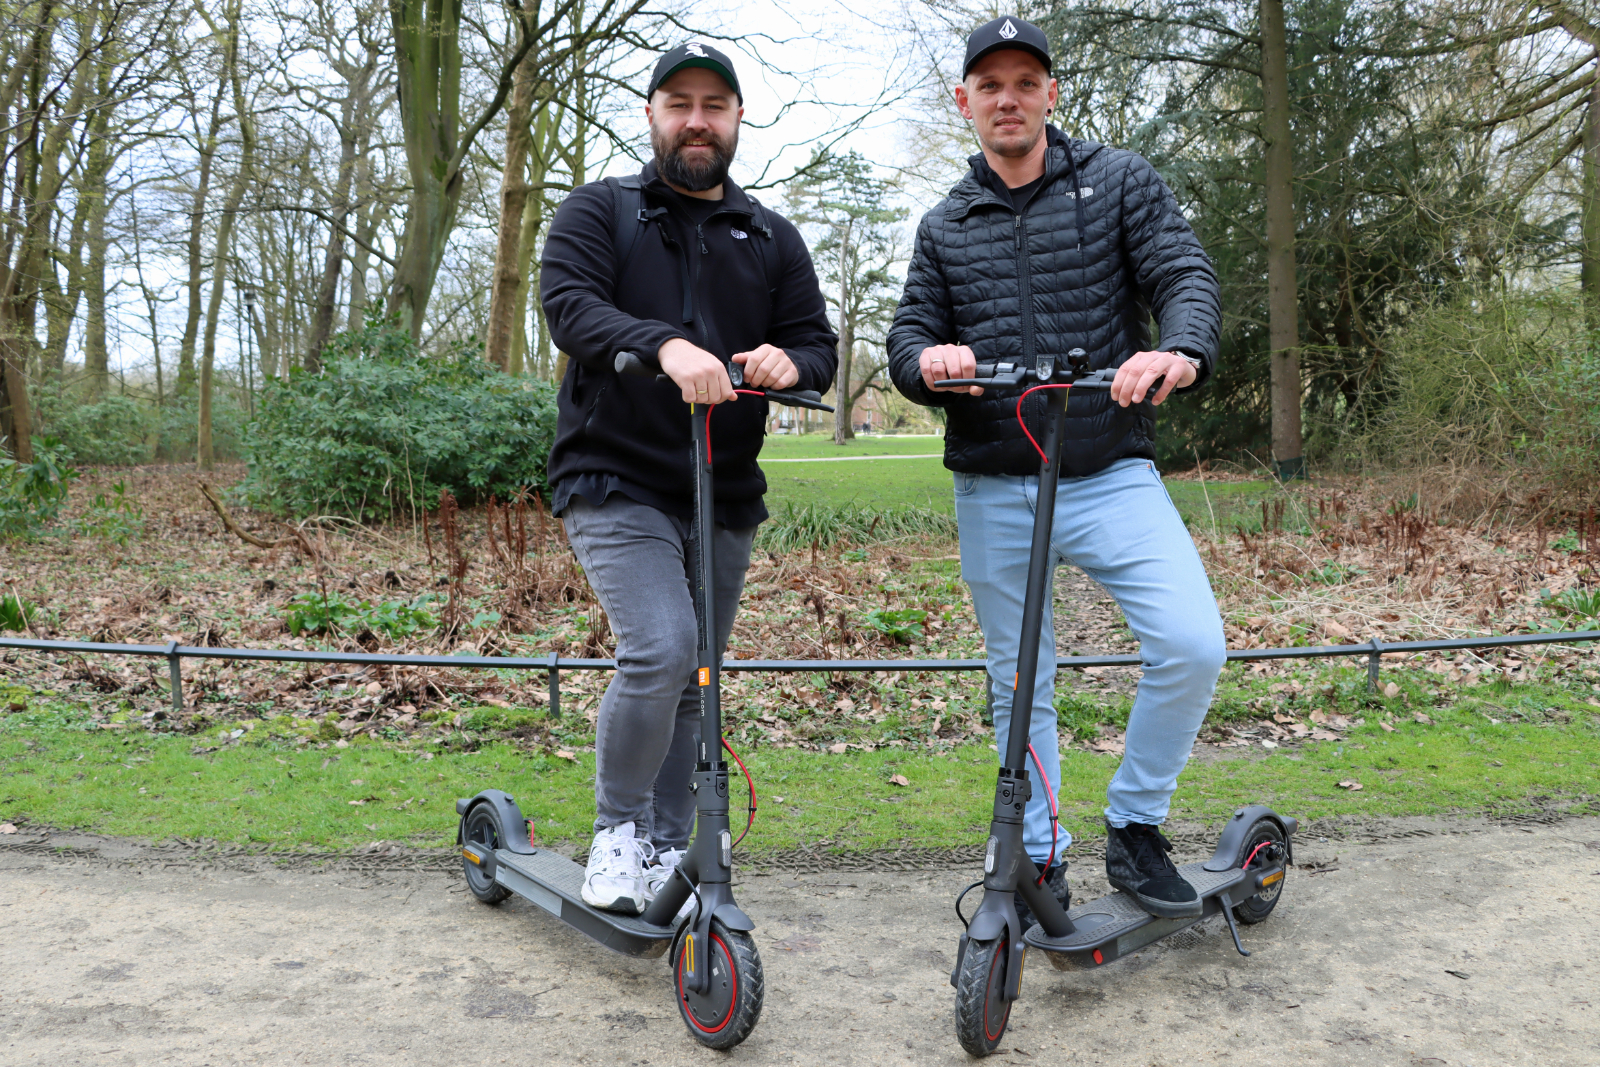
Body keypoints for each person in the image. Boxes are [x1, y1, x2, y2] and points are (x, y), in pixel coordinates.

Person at [887, 17, 1225, 925]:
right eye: (989, 85)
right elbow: (908, 337)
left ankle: (1136, 825)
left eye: (1025, 82)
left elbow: (1184, 274)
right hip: (995, 481)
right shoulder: (945, 225)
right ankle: (1038, 854)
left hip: (1110, 468)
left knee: (1193, 643)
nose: (1008, 99)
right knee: (1019, 682)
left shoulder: (1118, 183)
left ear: (1051, 94)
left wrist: (1181, 348)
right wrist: (927, 365)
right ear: (965, 101)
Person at [540, 42, 838, 914]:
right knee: (663, 649)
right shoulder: (601, 211)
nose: (697, 120)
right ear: (652, 115)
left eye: (715, 104)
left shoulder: (771, 237)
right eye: (679, 103)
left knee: (695, 673)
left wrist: (791, 362)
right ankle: (618, 831)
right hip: (615, 474)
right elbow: (570, 307)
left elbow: (817, 345)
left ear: (739, 118)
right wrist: (664, 343)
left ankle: (672, 843)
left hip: (723, 486)